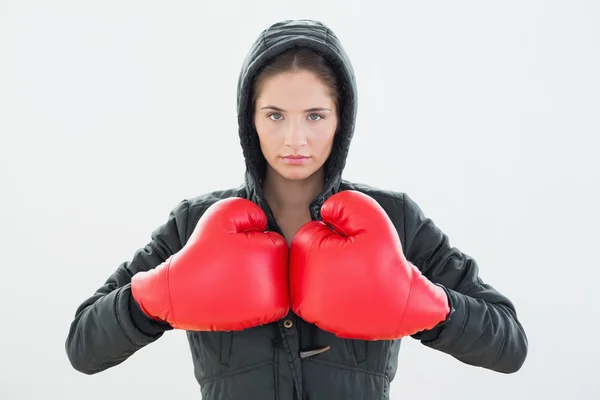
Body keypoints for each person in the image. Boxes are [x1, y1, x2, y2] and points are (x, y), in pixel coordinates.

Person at [65, 19, 528, 399]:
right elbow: (83, 347)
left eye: (314, 115)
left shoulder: (393, 218)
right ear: (250, 118)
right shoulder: (195, 222)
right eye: (274, 115)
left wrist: (431, 308)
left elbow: (509, 346)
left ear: (341, 118)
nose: (295, 140)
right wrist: (150, 300)